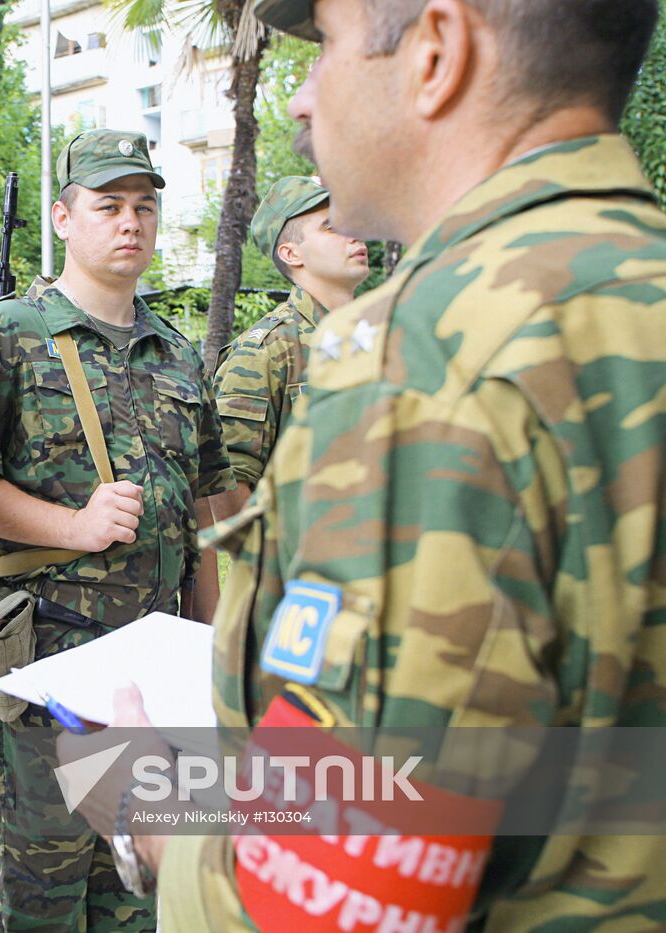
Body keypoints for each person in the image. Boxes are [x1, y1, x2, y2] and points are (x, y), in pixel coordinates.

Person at [79, 0, 666, 928]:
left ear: (437, 51)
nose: (305, 98)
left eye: (329, 45)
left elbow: (332, 894)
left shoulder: (431, 358)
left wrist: (150, 810)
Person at [0, 128, 234, 931]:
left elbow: (207, 512)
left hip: (155, 677)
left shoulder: (176, 354)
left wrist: (211, 655)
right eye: (108, 206)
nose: (130, 222)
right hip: (51, 679)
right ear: (65, 218)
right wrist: (72, 525)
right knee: (45, 898)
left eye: (144, 206)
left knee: (143, 897)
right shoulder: (5, 333)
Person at [208, 176, 368, 520]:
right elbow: (228, 482)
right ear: (291, 253)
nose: (354, 234)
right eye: (332, 227)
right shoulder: (264, 351)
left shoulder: (384, 335)